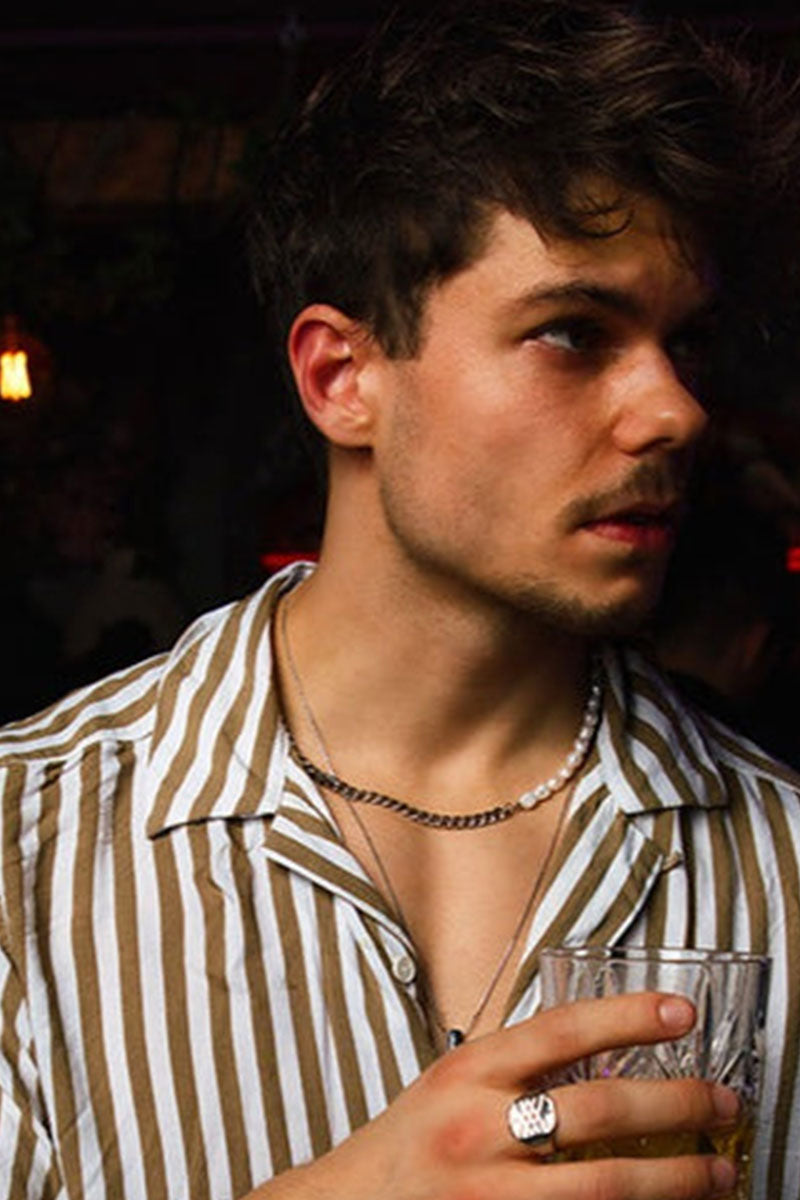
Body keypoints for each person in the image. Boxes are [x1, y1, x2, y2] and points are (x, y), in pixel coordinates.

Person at [2, 2, 800, 1198]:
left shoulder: (781, 864)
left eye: (682, 345)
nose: (673, 411)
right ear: (342, 377)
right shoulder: (25, 852)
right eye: (572, 333)